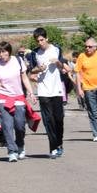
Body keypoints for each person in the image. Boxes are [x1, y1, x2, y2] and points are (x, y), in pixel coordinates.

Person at [0, 41, 39, 162]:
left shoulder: (18, 61)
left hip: (18, 97)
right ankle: (11, 151)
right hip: (3, 97)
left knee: (20, 125)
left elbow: (24, 78)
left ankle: (20, 146)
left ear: (9, 51)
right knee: (7, 126)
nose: (2, 54)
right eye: (0, 52)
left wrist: (31, 93)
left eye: (4, 51)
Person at [30, 27, 68, 158]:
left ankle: (59, 143)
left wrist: (57, 62)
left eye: (42, 40)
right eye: (37, 41)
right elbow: (31, 72)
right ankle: (52, 147)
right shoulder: (35, 54)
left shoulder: (56, 49)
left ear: (47, 38)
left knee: (59, 119)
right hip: (43, 90)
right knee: (48, 120)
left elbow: (62, 67)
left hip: (56, 89)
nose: (40, 43)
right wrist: (38, 69)